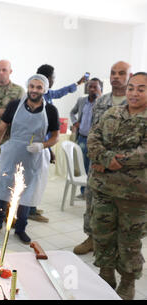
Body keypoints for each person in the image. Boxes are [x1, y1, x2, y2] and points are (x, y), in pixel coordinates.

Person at [87, 72, 146, 300]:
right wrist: (103, 157)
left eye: (141, 89)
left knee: (129, 241)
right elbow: (93, 137)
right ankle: (106, 274)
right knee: (102, 235)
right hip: (103, 190)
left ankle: (128, 282)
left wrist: (109, 162)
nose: (134, 93)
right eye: (131, 88)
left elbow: (143, 153)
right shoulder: (112, 112)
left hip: (135, 195)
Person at [0, 74, 60, 244]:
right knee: (5, 187)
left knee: (27, 191)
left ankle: (21, 228)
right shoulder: (14, 106)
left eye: (39, 87)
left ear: (45, 90)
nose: (34, 90)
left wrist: (42, 145)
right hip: (12, 154)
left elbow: (56, 137)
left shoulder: (50, 110)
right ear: (28, 87)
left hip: (34, 156)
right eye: (32, 86)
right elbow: (1, 129)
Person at [73, 61, 131, 255]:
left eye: (121, 73)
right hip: (98, 166)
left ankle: (116, 246)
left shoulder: (136, 103)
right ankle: (91, 238)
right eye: (113, 73)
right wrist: (98, 159)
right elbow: (93, 133)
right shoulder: (101, 101)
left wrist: (114, 161)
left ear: (129, 77)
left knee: (120, 209)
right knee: (93, 202)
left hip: (123, 169)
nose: (116, 76)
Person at [28, 64, 87, 223]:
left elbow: (61, 92)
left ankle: (31, 207)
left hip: (43, 145)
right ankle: (28, 210)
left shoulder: (47, 94)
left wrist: (77, 83)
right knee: (33, 179)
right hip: (35, 146)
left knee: (38, 179)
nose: (54, 80)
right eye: (53, 77)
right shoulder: (34, 98)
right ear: (47, 79)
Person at [69, 78, 102, 194]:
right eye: (90, 87)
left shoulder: (102, 103)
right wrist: (74, 122)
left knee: (92, 166)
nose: (92, 89)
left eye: (95, 87)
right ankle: (83, 191)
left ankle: (91, 191)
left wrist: (99, 98)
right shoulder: (81, 100)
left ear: (100, 89)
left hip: (95, 141)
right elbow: (72, 112)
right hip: (82, 138)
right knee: (82, 166)